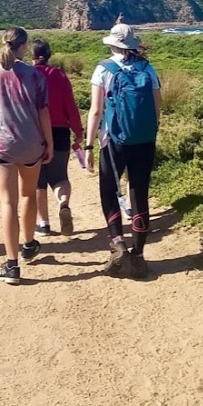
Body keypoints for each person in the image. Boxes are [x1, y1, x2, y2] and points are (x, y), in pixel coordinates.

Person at [84, 22, 161, 279]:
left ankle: (118, 244)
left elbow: (95, 110)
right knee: (139, 193)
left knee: (109, 190)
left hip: (113, 141)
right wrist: (150, 133)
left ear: (113, 44)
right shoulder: (148, 69)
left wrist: (89, 144)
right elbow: (157, 107)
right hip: (144, 140)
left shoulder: (104, 69)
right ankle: (138, 256)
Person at [0, 27, 52, 285]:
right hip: (31, 144)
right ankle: (29, 244)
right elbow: (44, 113)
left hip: (2, 145)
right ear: (24, 46)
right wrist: (49, 144)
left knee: (7, 202)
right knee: (28, 194)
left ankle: (11, 265)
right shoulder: (34, 75)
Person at [30, 38, 85, 238]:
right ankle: (63, 203)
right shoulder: (59, 75)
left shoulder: (28, 75)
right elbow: (70, 105)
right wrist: (78, 132)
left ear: (32, 56)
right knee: (60, 176)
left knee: (38, 181)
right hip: (60, 132)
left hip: (34, 133)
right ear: (49, 54)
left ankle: (43, 224)